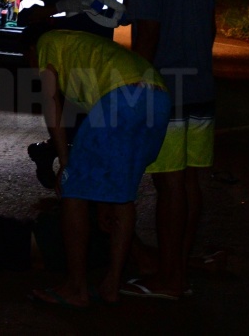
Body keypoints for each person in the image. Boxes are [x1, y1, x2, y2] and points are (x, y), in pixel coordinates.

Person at [103, 0, 217, 300]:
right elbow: (210, 28)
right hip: (201, 90)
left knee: (168, 187)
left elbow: (145, 38)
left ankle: (169, 280)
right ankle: (177, 270)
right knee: (188, 183)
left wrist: (134, 93)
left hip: (167, 91)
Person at [27, 27, 171, 308]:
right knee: (121, 196)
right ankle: (111, 285)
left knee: (73, 191)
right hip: (159, 95)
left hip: (121, 96)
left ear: (30, 51)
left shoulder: (45, 42)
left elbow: (51, 103)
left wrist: (64, 161)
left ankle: (76, 287)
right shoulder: (81, 47)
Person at [17, 0, 128, 188]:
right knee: (70, 114)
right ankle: (68, 173)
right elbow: (25, 11)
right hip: (62, 56)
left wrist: (107, 6)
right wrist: (57, 8)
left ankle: (51, 154)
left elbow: (124, 6)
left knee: (91, 119)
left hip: (97, 53)